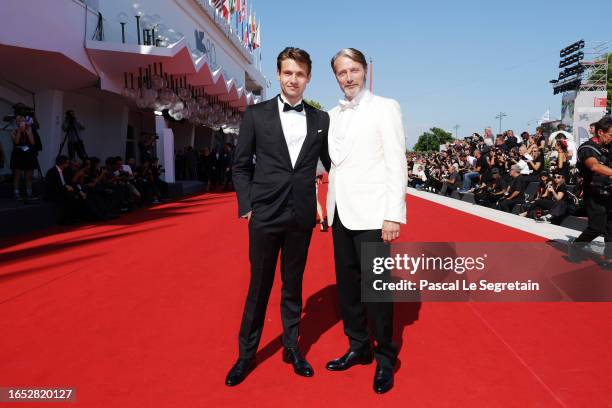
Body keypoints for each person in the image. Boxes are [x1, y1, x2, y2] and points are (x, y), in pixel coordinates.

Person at [227, 47, 331, 386]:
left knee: (293, 286)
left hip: (301, 215)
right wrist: (247, 205)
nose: (293, 80)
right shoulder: (256, 114)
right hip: (265, 213)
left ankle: (292, 347)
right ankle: (245, 355)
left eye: (300, 74)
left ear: (308, 78)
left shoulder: (320, 120)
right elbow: (241, 165)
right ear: (278, 74)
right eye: (288, 73)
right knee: (258, 287)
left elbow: (333, 164)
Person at [325, 48, 407, 394]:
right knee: (347, 286)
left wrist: (393, 214)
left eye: (354, 70)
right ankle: (358, 346)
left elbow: (396, 162)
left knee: (376, 289)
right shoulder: (331, 115)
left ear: (365, 71)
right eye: (342, 72)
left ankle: (386, 357)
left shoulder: (385, 107)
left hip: (374, 213)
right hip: (340, 212)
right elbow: (333, 164)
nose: (348, 77)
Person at [569, 115, 612, 268]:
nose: (611, 138)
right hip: (594, 193)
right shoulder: (587, 148)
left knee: (611, 227)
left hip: (610, 193)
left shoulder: (609, 147)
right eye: (611, 135)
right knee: (596, 227)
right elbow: (595, 166)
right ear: (600, 132)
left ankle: (609, 259)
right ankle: (575, 246)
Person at [10, 116, 37, 199]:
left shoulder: (29, 130)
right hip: (18, 155)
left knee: (29, 175)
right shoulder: (13, 132)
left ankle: (29, 193)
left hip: (28, 155)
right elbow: (16, 142)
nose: (21, 123)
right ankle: (16, 193)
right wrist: (19, 131)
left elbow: (33, 143)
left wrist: (29, 134)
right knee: (17, 175)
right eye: (19, 121)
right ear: (16, 123)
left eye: (23, 121)